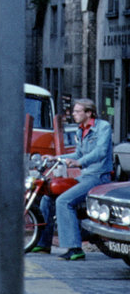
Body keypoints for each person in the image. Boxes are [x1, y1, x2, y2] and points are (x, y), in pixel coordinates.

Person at [49, 98, 113, 261]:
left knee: (63, 201)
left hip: (98, 177)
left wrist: (79, 163)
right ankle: (42, 244)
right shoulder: (81, 130)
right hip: (84, 176)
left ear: (89, 113)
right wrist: (56, 158)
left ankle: (74, 248)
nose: (74, 114)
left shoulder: (103, 127)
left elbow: (100, 152)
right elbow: (78, 153)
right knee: (48, 197)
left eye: (78, 111)